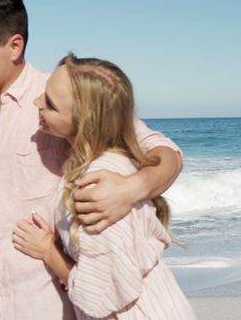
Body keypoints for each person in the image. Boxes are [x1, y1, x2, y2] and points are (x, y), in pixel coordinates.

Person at [0, 0, 183, 319]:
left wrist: (132, 187)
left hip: (63, 308)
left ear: (14, 45)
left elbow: (162, 151)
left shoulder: (59, 96)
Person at [12, 54, 196, 319]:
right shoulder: (106, 163)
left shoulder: (96, 185)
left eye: (50, 104)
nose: (36, 102)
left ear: (84, 121)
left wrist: (48, 252)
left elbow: (100, 295)